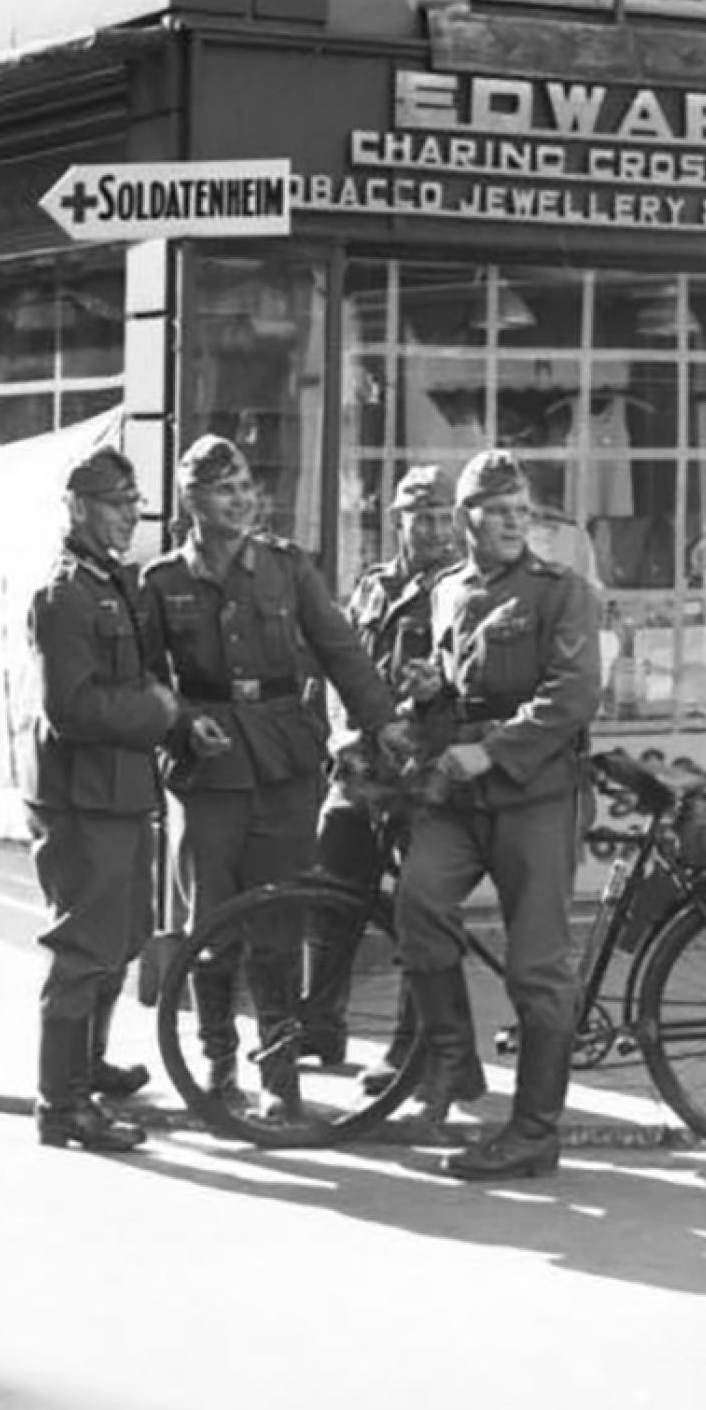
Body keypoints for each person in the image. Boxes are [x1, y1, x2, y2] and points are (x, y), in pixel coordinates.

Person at [142, 435, 410, 1119]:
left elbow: (341, 651)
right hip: (209, 766)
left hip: (285, 759)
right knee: (211, 926)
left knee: (279, 919)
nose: (240, 500)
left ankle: (279, 1075)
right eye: (222, 490)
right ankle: (216, 1060)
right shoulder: (163, 581)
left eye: (245, 488)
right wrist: (177, 725)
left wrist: (383, 722)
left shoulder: (288, 569)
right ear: (190, 501)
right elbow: (144, 678)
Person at [396, 448, 602, 1181]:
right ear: (466, 520)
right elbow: (455, 691)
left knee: (536, 968)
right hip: (460, 795)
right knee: (418, 904)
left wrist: (492, 751)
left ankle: (533, 1133)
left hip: (535, 795)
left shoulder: (561, 592)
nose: (516, 525)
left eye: (524, 513)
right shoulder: (448, 589)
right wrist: (428, 696)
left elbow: (572, 697)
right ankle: (454, 1062)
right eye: (500, 513)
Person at [23, 447, 180, 1152]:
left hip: (119, 793)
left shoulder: (110, 584)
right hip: (82, 802)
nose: (130, 516)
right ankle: (62, 1105)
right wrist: (160, 713)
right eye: (117, 504)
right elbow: (72, 708)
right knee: (82, 949)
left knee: (120, 939)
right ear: (78, 507)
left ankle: (88, 1067)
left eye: (134, 503)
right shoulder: (67, 595)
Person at [309, 464, 460, 1086]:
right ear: (397, 520)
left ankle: (408, 1047)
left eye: (439, 516)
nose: (428, 529)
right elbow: (343, 667)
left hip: (419, 776)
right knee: (329, 891)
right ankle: (318, 1023)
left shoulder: (458, 588)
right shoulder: (373, 586)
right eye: (417, 516)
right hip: (361, 769)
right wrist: (344, 738)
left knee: (417, 912)